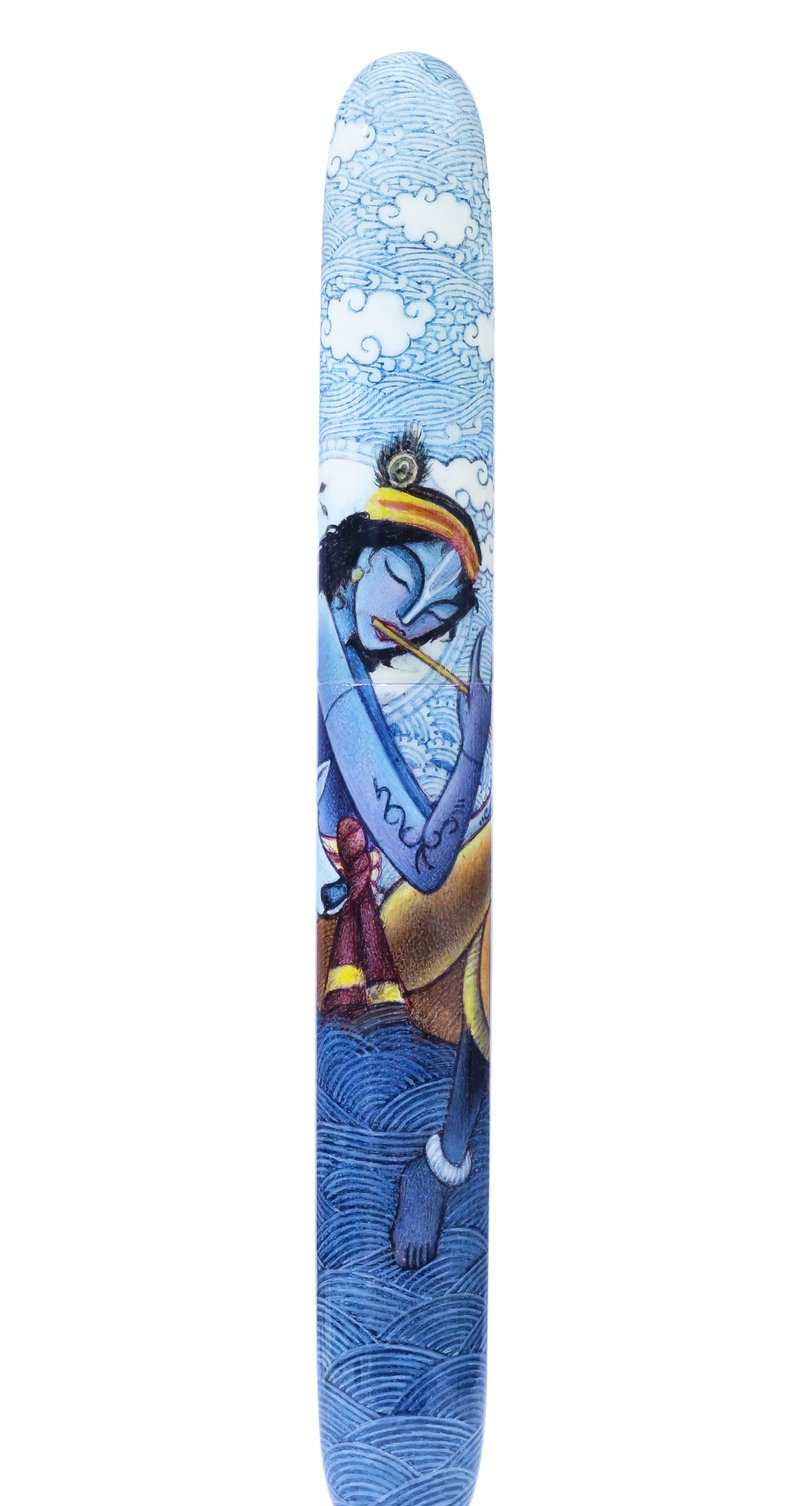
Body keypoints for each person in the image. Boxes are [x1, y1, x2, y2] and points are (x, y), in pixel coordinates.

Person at [316, 429, 491, 1267]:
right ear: (358, 556)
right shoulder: (330, 667)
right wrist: (475, 743)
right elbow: (426, 862)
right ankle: (445, 1159)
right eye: (405, 580)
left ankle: (444, 1159)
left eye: (436, 619)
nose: (411, 623)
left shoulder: (342, 657)